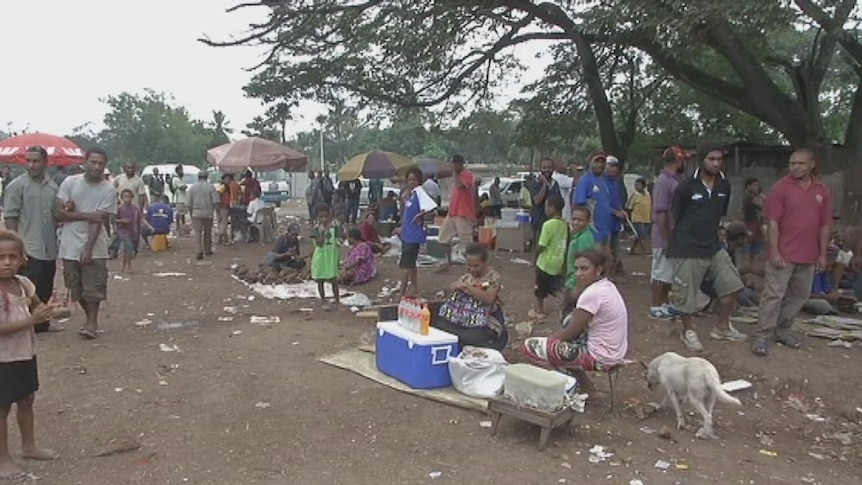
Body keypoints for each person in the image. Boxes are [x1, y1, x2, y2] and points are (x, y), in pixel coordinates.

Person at [752, 149, 833, 356]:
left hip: (809, 254)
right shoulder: (781, 188)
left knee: (799, 296)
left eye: (800, 163)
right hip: (784, 253)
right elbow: (773, 223)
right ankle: (762, 335)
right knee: (774, 295)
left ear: (811, 165)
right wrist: (774, 251)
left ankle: (783, 330)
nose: (795, 167)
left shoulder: (822, 190)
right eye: (792, 163)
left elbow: (824, 225)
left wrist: (823, 254)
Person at [668, 142, 746, 351]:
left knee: (733, 286)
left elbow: (719, 214)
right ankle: (688, 331)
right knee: (686, 296)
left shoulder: (724, 185)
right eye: (711, 159)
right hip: (688, 247)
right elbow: (675, 216)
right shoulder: (686, 186)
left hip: (713, 246)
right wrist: (672, 245)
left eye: (719, 159)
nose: (715, 163)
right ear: (701, 160)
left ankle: (721, 328)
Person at [0, 230, 60, 479]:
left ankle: (29, 446)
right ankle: (3, 459)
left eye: (12, 257)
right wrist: (31, 321)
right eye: (1, 257)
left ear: (23, 259)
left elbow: (37, 304)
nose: (6, 262)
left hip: (24, 354)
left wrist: (47, 309)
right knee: (2, 409)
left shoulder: (23, 284)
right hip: (2, 360)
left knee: (26, 400)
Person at [522, 249, 629, 387]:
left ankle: (583, 387)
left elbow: (570, 333)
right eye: (576, 269)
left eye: (584, 269)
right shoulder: (607, 286)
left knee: (531, 347)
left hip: (602, 357)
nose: (578, 274)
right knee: (568, 322)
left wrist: (547, 342)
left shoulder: (593, 294)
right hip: (615, 352)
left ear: (599, 269)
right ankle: (584, 386)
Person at [56, 147, 117, 340]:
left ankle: (92, 322)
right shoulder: (70, 183)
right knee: (75, 286)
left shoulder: (108, 189)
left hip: (95, 245)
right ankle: (89, 317)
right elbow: (59, 213)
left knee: (94, 286)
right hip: (69, 244)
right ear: (85, 162)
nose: (97, 167)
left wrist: (88, 249)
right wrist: (86, 214)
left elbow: (99, 221)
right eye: (94, 162)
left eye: (101, 163)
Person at [3, 146, 61, 333]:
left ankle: (42, 324)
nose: (31, 165)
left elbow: (56, 215)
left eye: (36, 161)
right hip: (29, 246)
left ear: (45, 162)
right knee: (28, 289)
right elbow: (10, 216)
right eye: (28, 161)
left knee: (45, 285)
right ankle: (24, 325)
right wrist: (18, 247)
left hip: (49, 247)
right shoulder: (17, 186)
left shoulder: (52, 187)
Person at [435, 243, 509, 351]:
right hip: (464, 317)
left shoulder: (493, 277)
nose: (471, 269)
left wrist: (467, 287)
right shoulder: (466, 277)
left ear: (484, 263)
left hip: (484, 319)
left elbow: (489, 298)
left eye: (476, 266)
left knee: (473, 338)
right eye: (469, 265)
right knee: (441, 327)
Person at [649, 146, 687, 320]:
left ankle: (663, 304)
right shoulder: (664, 181)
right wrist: (667, 237)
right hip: (664, 236)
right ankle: (656, 305)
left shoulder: (674, 180)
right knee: (660, 272)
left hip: (672, 235)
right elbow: (661, 212)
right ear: (679, 161)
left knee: (667, 273)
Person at [394, 168, 438, 297]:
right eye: (409, 179)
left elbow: (432, 208)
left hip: (413, 234)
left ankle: (402, 291)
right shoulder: (411, 194)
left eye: (414, 179)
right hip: (407, 233)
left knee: (405, 264)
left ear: (419, 181)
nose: (411, 182)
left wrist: (421, 215)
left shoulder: (419, 192)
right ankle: (413, 288)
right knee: (411, 263)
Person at [530, 194, 568, 320]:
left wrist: (534, 259)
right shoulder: (565, 224)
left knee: (540, 289)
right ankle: (567, 307)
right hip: (558, 262)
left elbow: (541, 245)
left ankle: (540, 311)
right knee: (556, 288)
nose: (545, 209)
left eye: (546, 206)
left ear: (552, 208)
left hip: (545, 263)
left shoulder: (548, 225)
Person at [438, 155, 476, 268]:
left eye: (453, 164)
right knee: (443, 238)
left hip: (463, 213)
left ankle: (473, 264)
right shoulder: (456, 176)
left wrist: (454, 172)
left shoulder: (467, 175)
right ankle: (448, 261)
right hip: (453, 212)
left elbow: (460, 186)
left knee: (467, 242)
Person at [574, 154, 615, 254]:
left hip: (605, 229)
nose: (600, 165)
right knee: (593, 260)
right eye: (597, 162)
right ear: (590, 163)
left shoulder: (603, 181)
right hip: (593, 231)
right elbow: (579, 205)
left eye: (602, 162)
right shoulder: (585, 180)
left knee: (606, 260)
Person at [562, 205, 598, 313]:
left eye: (580, 220)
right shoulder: (578, 235)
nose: (576, 223)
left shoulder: (584, 239)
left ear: (588, 221)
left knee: (569, 313)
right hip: (573, 279)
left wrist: (576, 286)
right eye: (574, 219)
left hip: (576, 282)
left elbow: (584, 265)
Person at [311, 203, 341, 310]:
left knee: (334, 279)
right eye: (321, 217)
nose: (324, 219)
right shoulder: (316, 229)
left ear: (330, 215)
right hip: (321, 257)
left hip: (332, 255)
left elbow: (339, 240)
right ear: (316, 218)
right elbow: (318, 244)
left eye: (326, 216)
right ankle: (323, 300)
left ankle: (337, 301)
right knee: (320, 279)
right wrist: (323, 232)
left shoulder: (335, 227)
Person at [529, 158, 562, 258]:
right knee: (539, 246)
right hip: (540, 221)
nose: (547, 170)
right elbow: (537, 200)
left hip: (553, 222)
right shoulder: (535, 183)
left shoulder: (555, 184)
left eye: (549, 167)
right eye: (544, 167)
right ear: (540, 169)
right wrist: (544, 185)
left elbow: (559, 203)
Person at [602, 156, 628, 271]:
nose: (613, 169)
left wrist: (622, 210)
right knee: (605, 251)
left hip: (615, 224)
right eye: (610, 165)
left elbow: (617, 201)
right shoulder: (601, 182)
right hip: (604, 223)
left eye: (615, 166)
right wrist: (615, 212)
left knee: (616, 249)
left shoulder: (616, 183)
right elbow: (601, 203)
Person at [187, 172, 219, 260]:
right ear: (207, 177)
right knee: (207, 232)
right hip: (208, 213)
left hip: (196, 213)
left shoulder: (193, 188)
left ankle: (198, 251)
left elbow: (189, 203)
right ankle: (207, 250)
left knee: (197, 233)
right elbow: (216, 201)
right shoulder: (211, 187)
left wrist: (191, 213)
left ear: (198, 177)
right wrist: (217, 212)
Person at [741, 177, 766, 262]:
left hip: (756, 224)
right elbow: (762, 205)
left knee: (757, 245)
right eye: (754, 185)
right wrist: (762, 198)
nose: (756, 187)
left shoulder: (754, 196)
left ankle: (751, 264)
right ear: (748, 186)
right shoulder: (749, 196)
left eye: (757, 185)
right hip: (750, 224)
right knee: (747, 246)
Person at [627, 178, 652, 255]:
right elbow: (629, 207)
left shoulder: (648, 195)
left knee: (639, 235)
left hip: (647, 218)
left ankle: (632, 249)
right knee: (642, 234)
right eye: (635, 185)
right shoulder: (634, 195)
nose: (636, 186)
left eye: (638, 185)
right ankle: (645, 250)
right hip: (637, 218)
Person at [170, 165, 189, 236]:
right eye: (181, 170)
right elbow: (182, 187)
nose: (182, 171)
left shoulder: (180, 179)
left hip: (183, 199)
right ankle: (179, 228)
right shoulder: (176, 179)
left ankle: (182, 228)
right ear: (177, 171)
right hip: (179, 199)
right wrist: (184, 186)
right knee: (179, 214)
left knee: (182, 214)